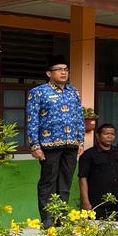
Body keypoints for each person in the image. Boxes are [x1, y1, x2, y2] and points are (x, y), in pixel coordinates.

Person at [26, 56, 85, 225]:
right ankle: (47, 219)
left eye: (66, 69)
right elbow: (32, 119)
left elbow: (79, 117)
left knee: (65, 182)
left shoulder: (73, 92)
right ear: (49, 73)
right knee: (48, 182)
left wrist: (80, 141)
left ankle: (60, 217)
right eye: (59, 69)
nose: (63, 72)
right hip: (48, 144)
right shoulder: (38, 92)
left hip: (71, 144)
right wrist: (34, 145)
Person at [77, 123, 118, 217]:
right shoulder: (88, 155)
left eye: (112, 134)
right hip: (96, 202)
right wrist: (86, 202)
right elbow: (82, 179)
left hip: (116, 201)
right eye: (106, 134)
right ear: (98, 136)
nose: (109, 137)